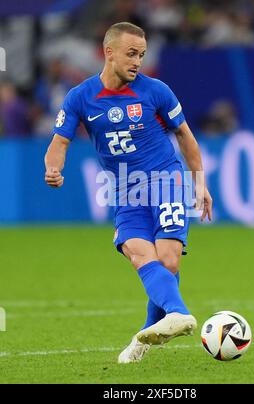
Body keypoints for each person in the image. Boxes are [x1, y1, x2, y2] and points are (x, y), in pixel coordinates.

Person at [44, 22, 213, 364]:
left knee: (167, 260)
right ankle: (160, 326)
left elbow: (185, 137)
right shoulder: (80, 96)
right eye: (131, 54)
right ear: (109, 53)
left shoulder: (156, 91)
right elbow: (59, 141)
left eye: (142, 55)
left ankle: (166, 322)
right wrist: (53, 168)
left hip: (165, 180)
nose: (138, 61)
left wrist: (199, 183)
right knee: (137, 253)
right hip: (124, 190)